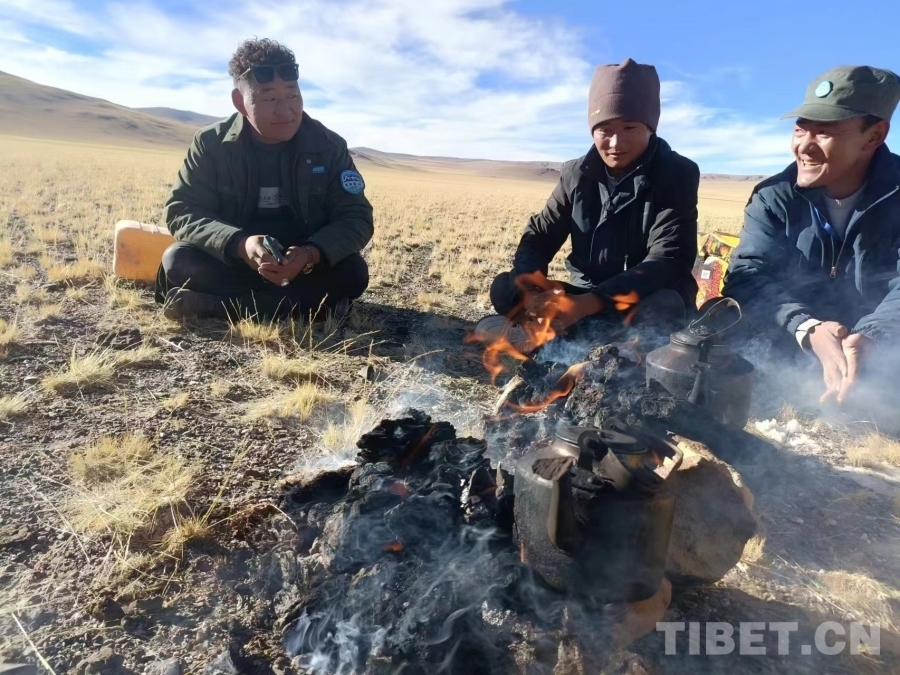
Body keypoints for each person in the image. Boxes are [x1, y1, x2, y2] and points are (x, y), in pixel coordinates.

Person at [474, 58, 700, 352]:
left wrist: (589, 303)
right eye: (605, 129)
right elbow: (540, 235)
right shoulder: (576, 174)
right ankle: (570, 336)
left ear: (650, 128)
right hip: (583, 295)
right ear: (592, 130)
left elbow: (668, 260)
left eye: (629, 127)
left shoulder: (678, 173)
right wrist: (532, 290)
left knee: (664, 305)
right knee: (505, 287)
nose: (616, 142)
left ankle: (562, 342)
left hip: (638, 297)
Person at [156, 38, 373, 321]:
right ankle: (304, 306)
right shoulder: (211, 144)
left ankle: (217, 307)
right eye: (269, 98)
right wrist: (240, 244)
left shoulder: (328, 146)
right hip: (237, 262)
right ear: (240, 102)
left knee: (354, 272)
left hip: (303, 267)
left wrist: (310, 254)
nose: (285, 110)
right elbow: (182, 210)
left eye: (292, 95)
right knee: (178, 261)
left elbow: (356, 217)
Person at [723, 65, 900, 406]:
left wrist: (874, 336)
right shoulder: (774, 197)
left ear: (874, 136)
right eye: (800, 130)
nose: (804, 146)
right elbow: (747, 276)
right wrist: (808, 328)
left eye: (824, 133)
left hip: (882, 354)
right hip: (791, 347)